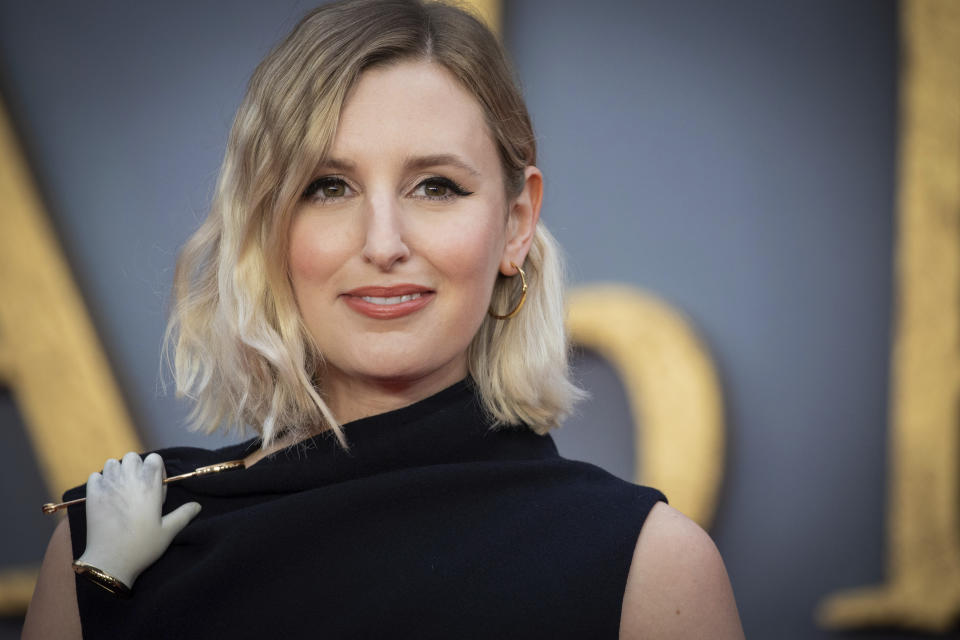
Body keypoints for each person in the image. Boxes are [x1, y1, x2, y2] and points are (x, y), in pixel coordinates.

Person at [23, 0, 744, 637]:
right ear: (269, 226)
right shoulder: (105, 557)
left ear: (517, 222)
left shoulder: (647, 568)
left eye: (436, 186)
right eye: (328, 186)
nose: (383, 243)